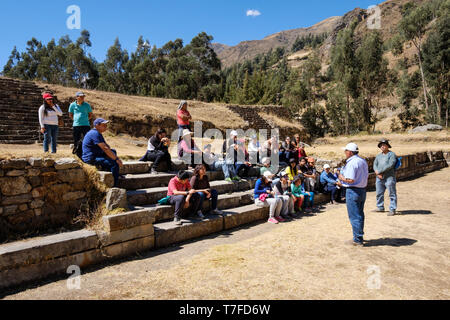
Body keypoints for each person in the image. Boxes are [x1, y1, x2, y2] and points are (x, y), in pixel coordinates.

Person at [338, 143, 369, 247]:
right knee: (359, 214)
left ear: (350, 152)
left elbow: (350, 180)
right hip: (362, 190)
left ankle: (358, 239)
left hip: (353, 191)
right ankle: (359, 236)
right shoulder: (362, 161)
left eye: (346, 151)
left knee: (354, 215)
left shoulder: (352, 163)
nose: (345, 153)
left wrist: (341, 178)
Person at [82, 119, 124, 187]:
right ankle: (115, 185)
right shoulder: (95, 133)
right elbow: (105, 149)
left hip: (96, 154)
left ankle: (112, 172)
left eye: (106, 125)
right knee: (115, 164)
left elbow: (106, 146)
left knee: (113, 151)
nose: (106, 127)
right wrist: (116, 159)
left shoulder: (97, 133)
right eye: (103, 125)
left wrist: (112, 154)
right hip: (91, 158)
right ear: (97, 125)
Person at [373, 139, 398, 216]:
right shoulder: (378, 156)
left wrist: (379, 171)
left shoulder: (392, 155)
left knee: (392, 193)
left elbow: (390, 165)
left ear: (388, 146)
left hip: (389, 177)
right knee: (379, 193)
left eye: (384, 145)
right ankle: (380, 207)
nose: (382, 146)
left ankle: (392, 209)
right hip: (379, 177)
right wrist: (377, 173)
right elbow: (375, 164)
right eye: (381, 145)